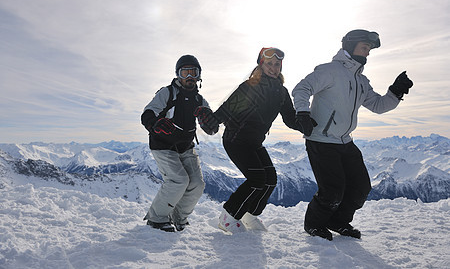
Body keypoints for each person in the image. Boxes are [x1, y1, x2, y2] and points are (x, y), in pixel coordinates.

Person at [292, 29, 413, 240]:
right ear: (351, 46)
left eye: (368, 50)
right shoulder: (329, 71)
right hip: (321, 140)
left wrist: (395, 92)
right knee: (332, 191)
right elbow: (302, 88)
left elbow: (377, 105)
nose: (367, 53)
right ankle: (313, 224)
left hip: (345, 141)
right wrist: (302, 112)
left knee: (360, 187)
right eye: (365, 48)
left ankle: (338, 221)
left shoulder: (361, 81)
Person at [211, 47, 304, 233]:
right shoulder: (249, 87)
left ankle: (249, 215)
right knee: (256, 179)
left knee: (270, 180)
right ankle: (228, 217)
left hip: (254, 142)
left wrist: (307, 123)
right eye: (269, 64)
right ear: (261, 65)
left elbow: (290, 119)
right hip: (236, 140)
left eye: (277, 64)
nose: (273, 68)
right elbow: (226, 109)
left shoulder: (281, 92)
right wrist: (211, 122)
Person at [141, 55, 218, 232]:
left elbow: (212, 127)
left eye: (194, 72)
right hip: (163, 145)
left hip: (185, 146)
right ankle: (157, 218)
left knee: (197, 184)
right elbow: (148, 113)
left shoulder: (199, 100)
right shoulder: (167, 93)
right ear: (178, 75)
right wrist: (155, 124)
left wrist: (210, 124)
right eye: (185, 73)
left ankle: (178, 216)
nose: (189, 77)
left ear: (199, 76)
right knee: (178, 180)